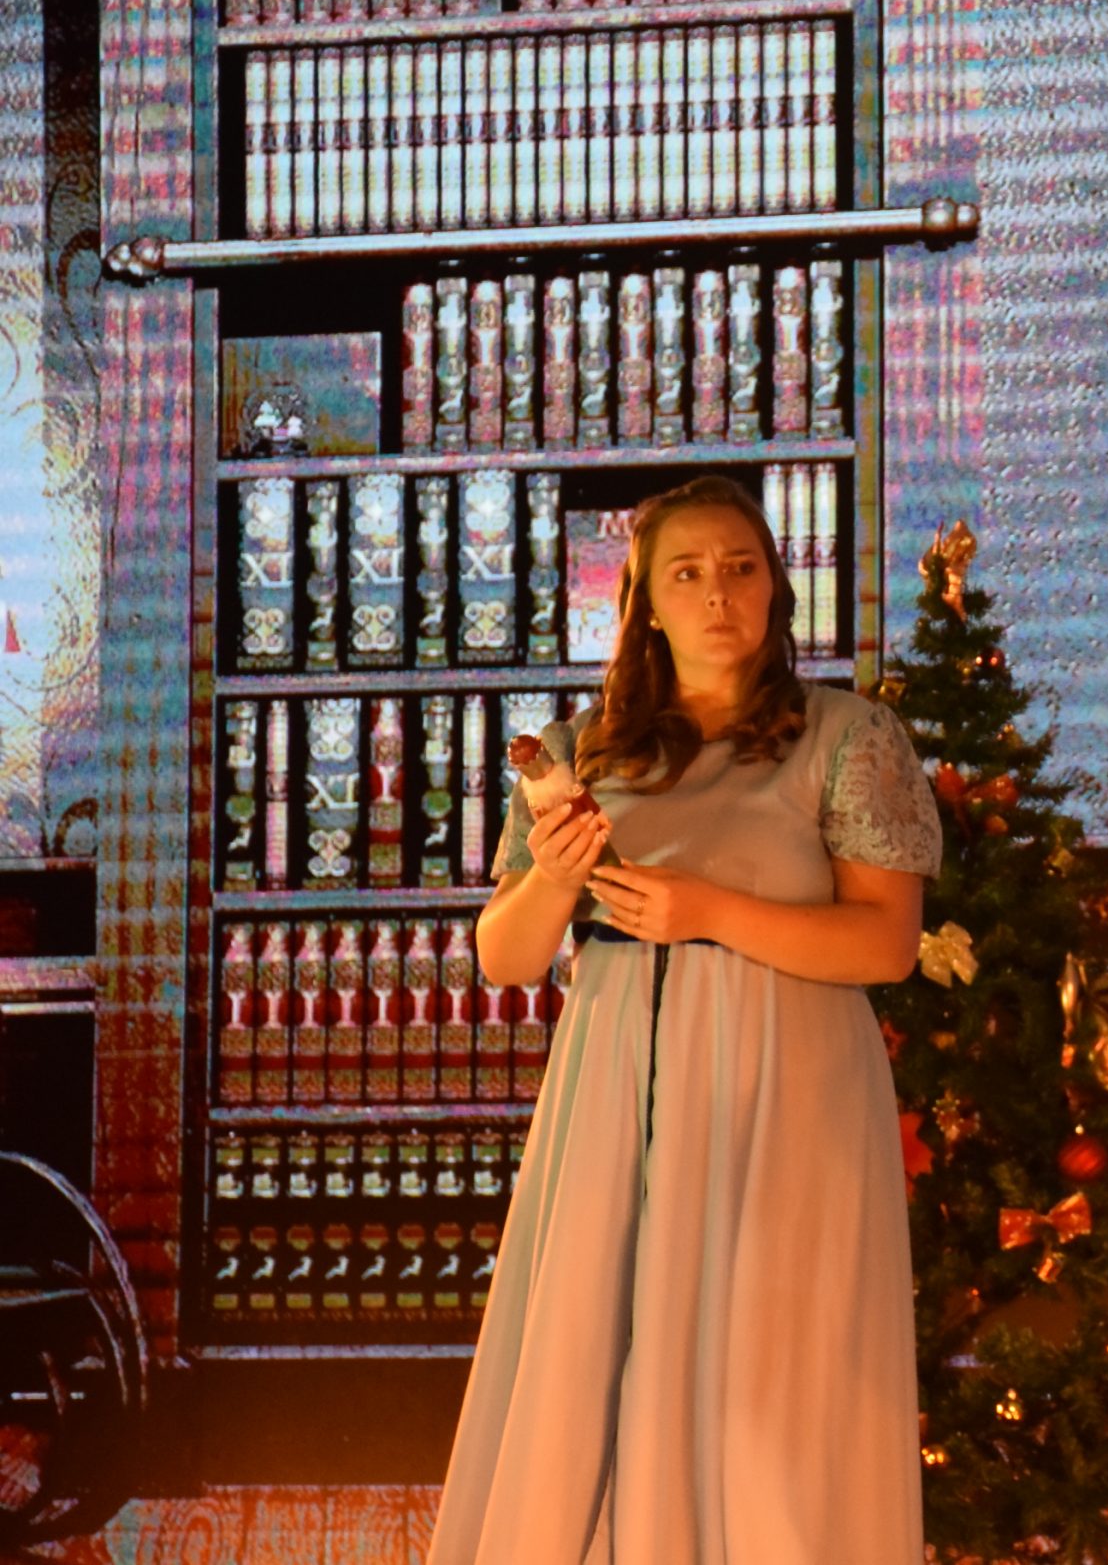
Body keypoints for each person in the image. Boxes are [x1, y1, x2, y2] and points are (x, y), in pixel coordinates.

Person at [427, 475, 942, 1565]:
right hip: (614, 1098)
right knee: (593, 1372)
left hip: (788, 1099)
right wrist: (553, 877)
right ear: (646, 602)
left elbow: (885, 945)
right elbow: (505, 958)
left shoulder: (847, 737)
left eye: (741, 568)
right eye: (689, 572)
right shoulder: (585, 749)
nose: (718, 593)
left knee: (772, 1392)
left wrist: (706, 912)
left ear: (777, 589)